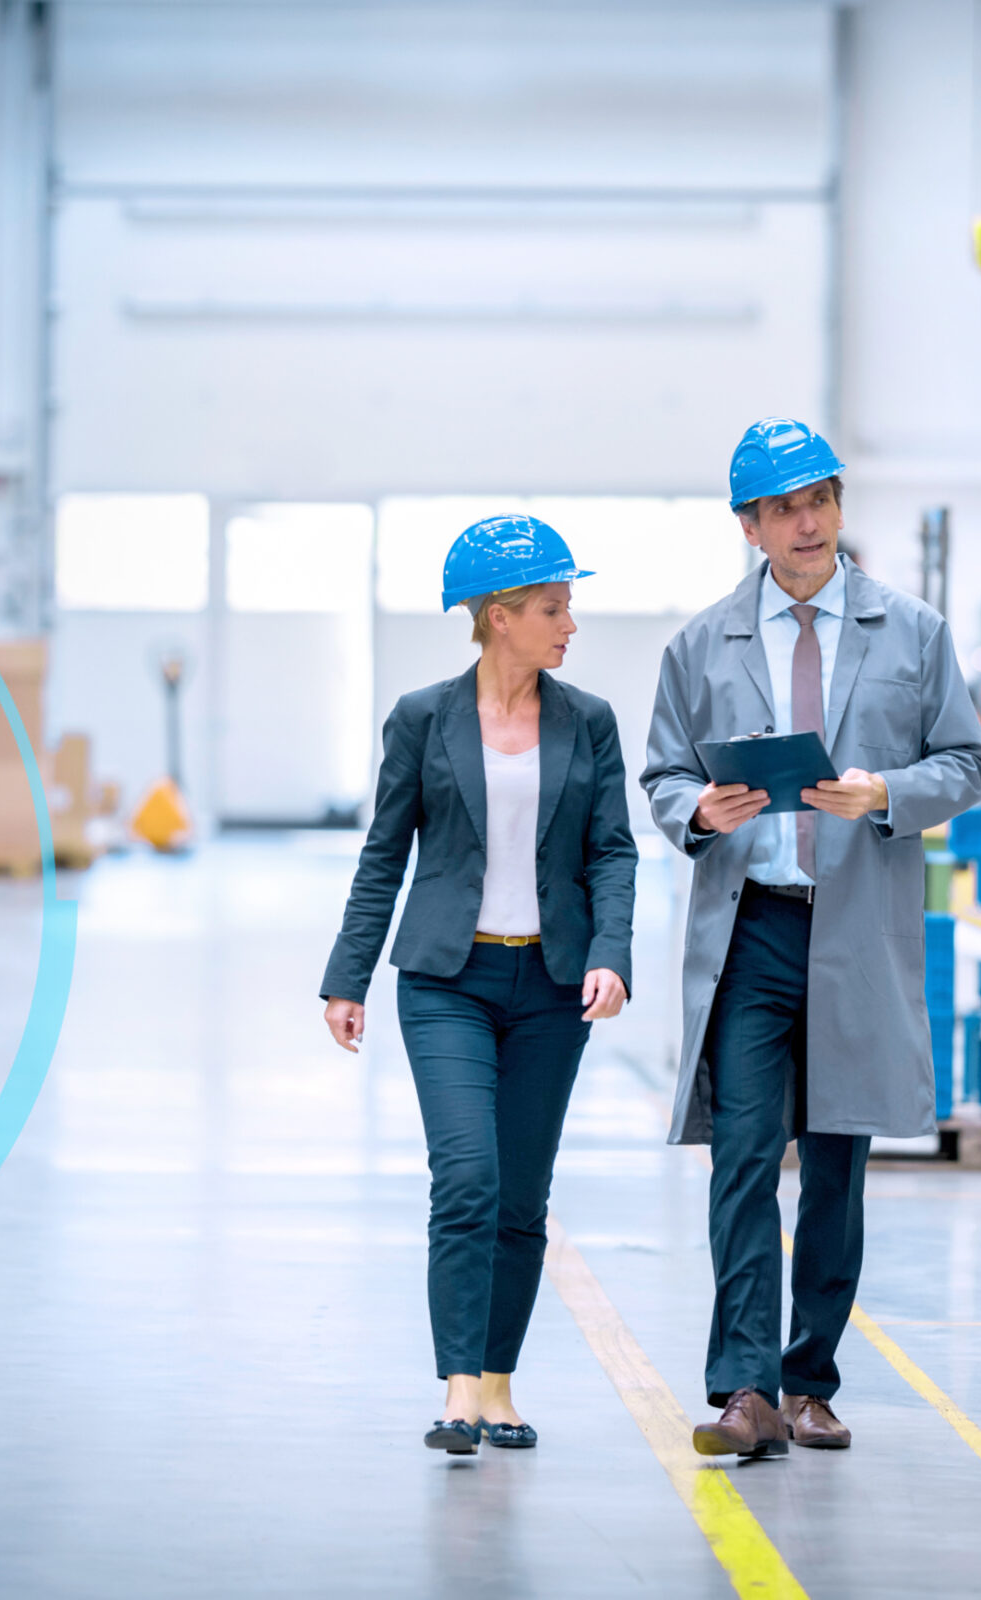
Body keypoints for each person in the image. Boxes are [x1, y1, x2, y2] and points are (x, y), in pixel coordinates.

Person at [641, 418, 981, 1457]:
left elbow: (967, 762)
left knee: (837, 1159)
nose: (807, 524)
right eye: (784, 508)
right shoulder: (701, 645)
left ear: (840, 508)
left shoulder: (914, 633)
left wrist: (887, 792)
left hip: (857, 928)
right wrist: (700, 811)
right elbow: (661, 775)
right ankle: (743, 1389)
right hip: (751, 927)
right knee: (745, 1155)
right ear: (750, 526)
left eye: (821, 501)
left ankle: (811, 1379)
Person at [320, 514, 638, 1456]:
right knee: (466, 1176)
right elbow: (384, 854)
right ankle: (458, 1385)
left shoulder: (589, 721)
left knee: (520, 1197)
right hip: (446, 981)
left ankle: (499, 1385)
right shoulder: (424, 718)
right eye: (552, 608)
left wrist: (610, 954)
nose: (568, 625)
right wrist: (349, 977)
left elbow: (612, 852)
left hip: (550, 984)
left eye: (567, 607)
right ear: (498, 616)